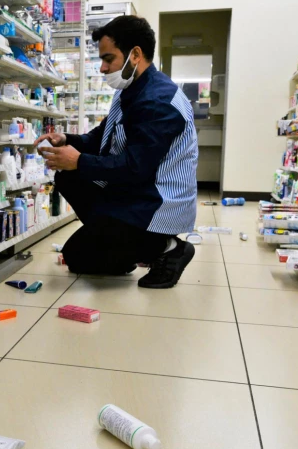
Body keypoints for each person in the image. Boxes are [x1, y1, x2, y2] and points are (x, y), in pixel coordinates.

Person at [35, 15, 198, 289]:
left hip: (155, 202)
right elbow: (103, 137)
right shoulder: (130, 89)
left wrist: (80, 161)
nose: (102, 68)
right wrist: (67, 139)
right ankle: (121, 242)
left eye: (108, 59)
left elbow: (136, 167)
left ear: (135, 54)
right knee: (76, 254)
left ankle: (167, 247)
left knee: (82, 246)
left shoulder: (160, 101)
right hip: (134, 191)